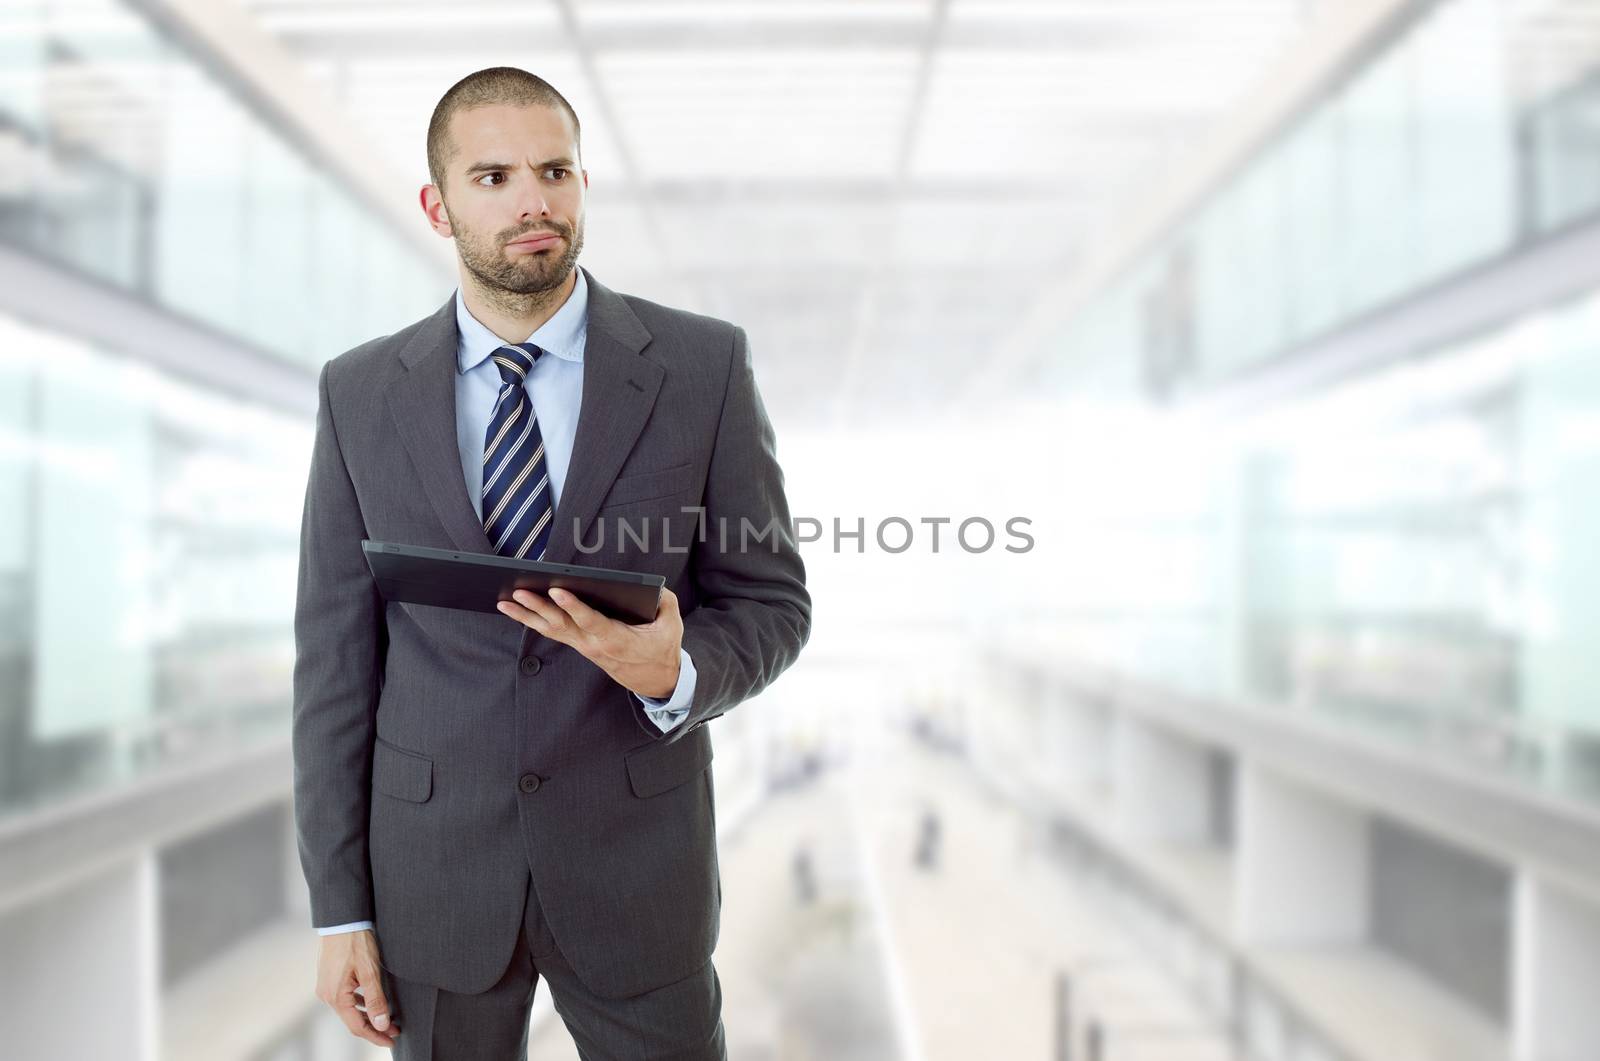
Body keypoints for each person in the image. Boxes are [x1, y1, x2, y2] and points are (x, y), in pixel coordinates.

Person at [292, 66, 811, 1059]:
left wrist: (679, 670)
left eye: (555, 170)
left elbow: (773, 600)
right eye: (492, 177)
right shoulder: (358, 393)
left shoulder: (702, 368)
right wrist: (337, 907)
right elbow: (332, 662)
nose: (533, 200)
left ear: (581, 184)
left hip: (636, 873)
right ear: (436, 206)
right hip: (433, 876)